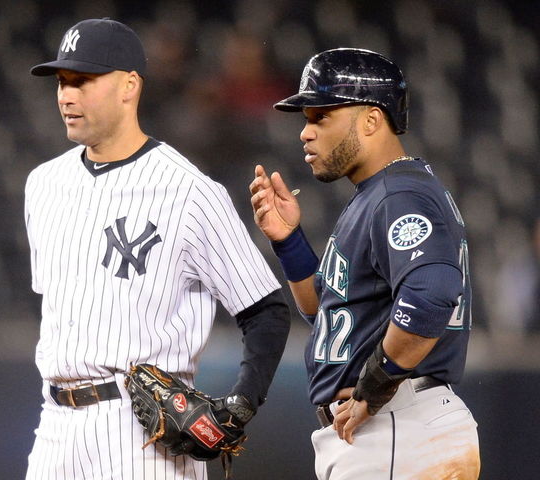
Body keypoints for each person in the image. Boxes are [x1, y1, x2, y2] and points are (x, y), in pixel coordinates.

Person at [24, 18, 290, 480]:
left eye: (83, 81)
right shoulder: (43, 184)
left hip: (143, 436)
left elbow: (265, 310)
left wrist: (241, 404)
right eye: (63, 82)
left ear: (129, 86)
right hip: (53, 429)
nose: (66, 95)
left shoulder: (188, 192)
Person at [249, 48, 480, 479]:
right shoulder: (381, 193)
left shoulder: (399, 195)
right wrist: (290, 243)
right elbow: (330, 312)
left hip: (397, 424)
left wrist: (375, 387)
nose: (305, 132)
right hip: (392, 427)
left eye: (321, 117)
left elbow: (431, 294)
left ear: (371, 120)